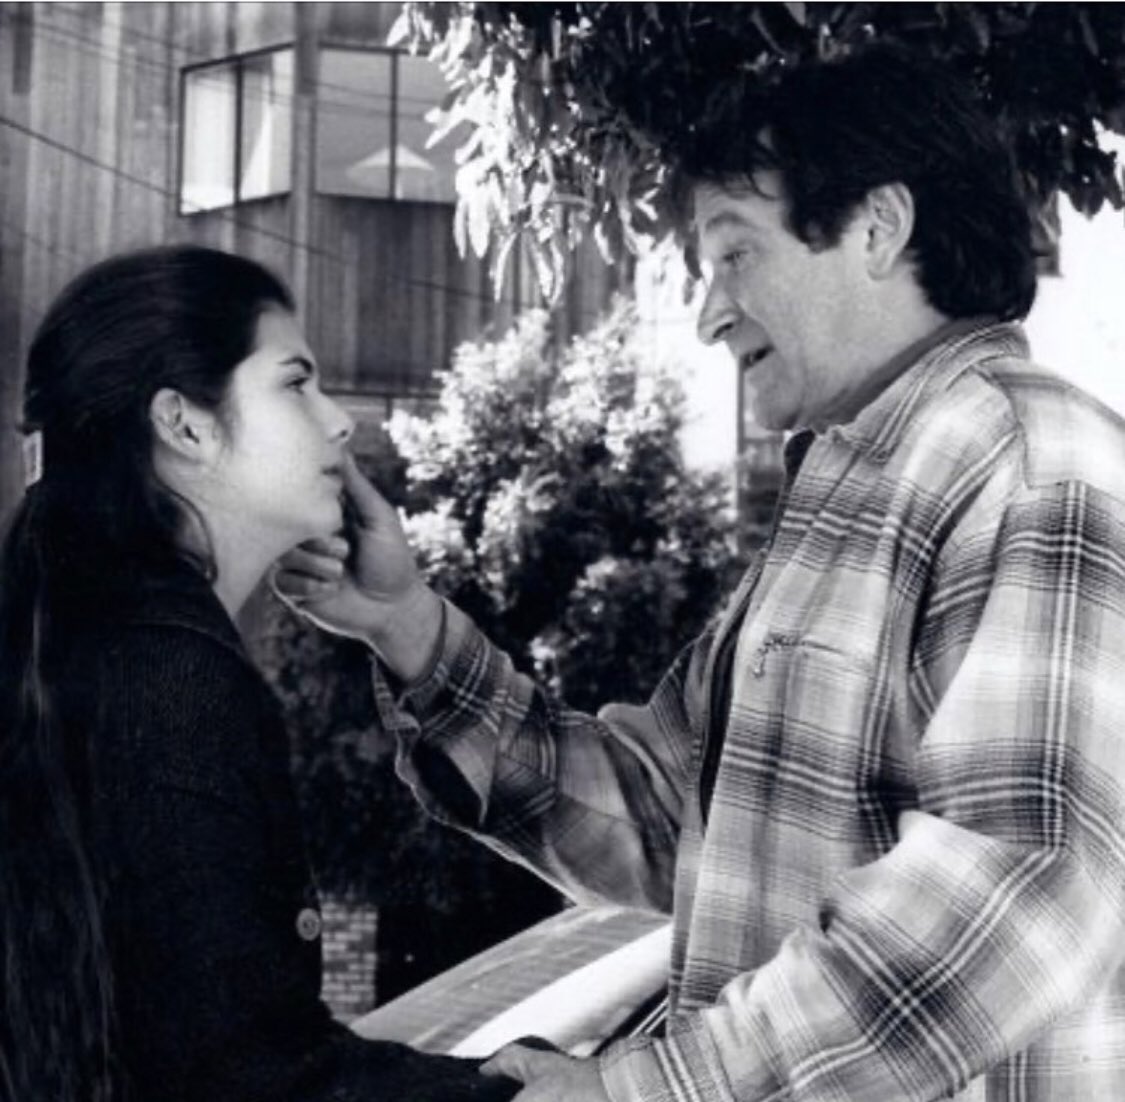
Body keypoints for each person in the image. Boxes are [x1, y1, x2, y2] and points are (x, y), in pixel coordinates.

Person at [276, 44, 1125, 1102]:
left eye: (735, 254)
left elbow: (1016, 898)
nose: (710, 312)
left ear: (878, 227)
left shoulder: (1035, 465)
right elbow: (660, 819)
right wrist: (404, 623)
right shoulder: (839, 499)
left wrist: (646, 1088)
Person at [0, 245, 518, 1102]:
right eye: (295, 383)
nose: (338, 422)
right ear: (186, 425)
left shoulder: (88, 644)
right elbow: (246, 1073)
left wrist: (397, 613)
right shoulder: (174, 680)